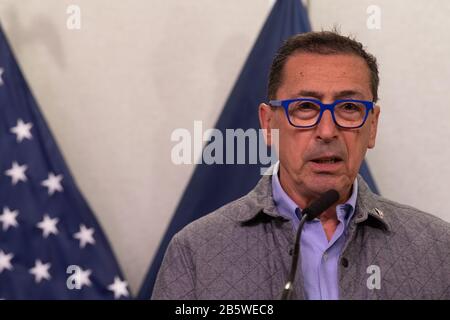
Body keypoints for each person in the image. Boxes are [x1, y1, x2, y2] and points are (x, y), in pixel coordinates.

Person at [152, 31, 450, 300]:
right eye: (306, 107)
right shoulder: (197, 252)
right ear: (269, 125)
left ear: (372, 126)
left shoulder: (437, 248)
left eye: (349, 108)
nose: (327, 131)